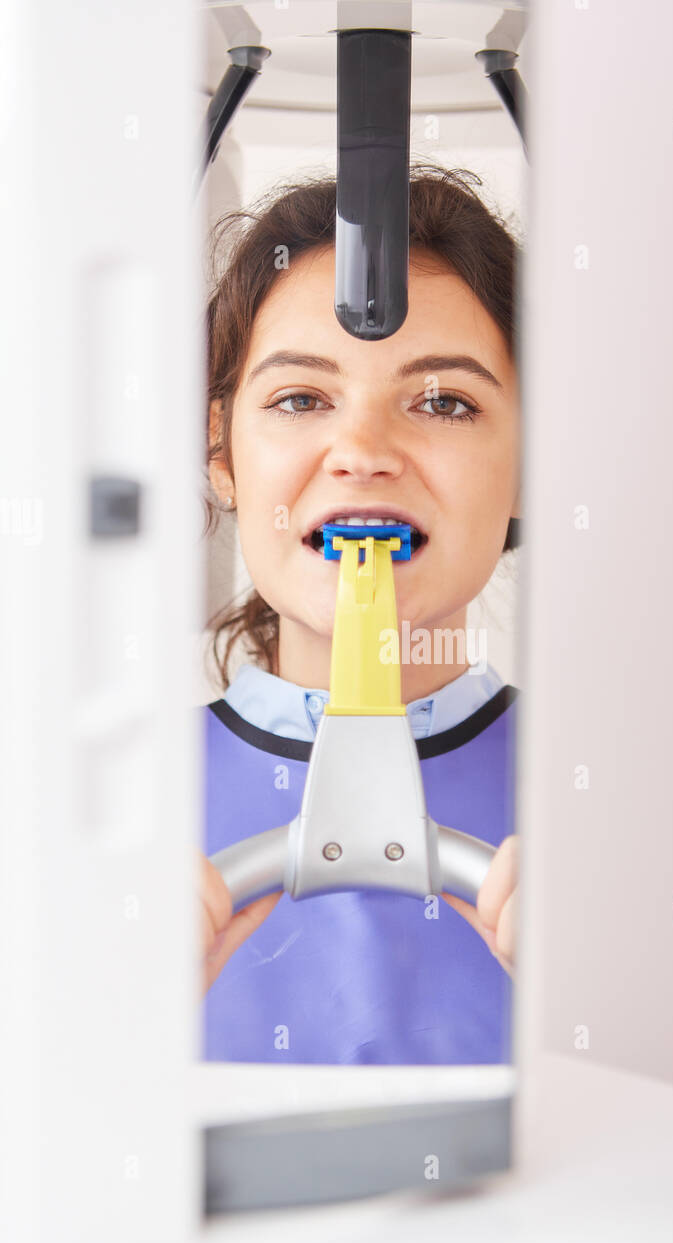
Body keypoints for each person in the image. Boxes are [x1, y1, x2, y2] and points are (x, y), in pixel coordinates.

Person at [199, 166, 520, 1064]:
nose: (364, 453)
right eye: (301, 398)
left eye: (444, 401)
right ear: (222, 452)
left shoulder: (620, 809)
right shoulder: (88, 811)